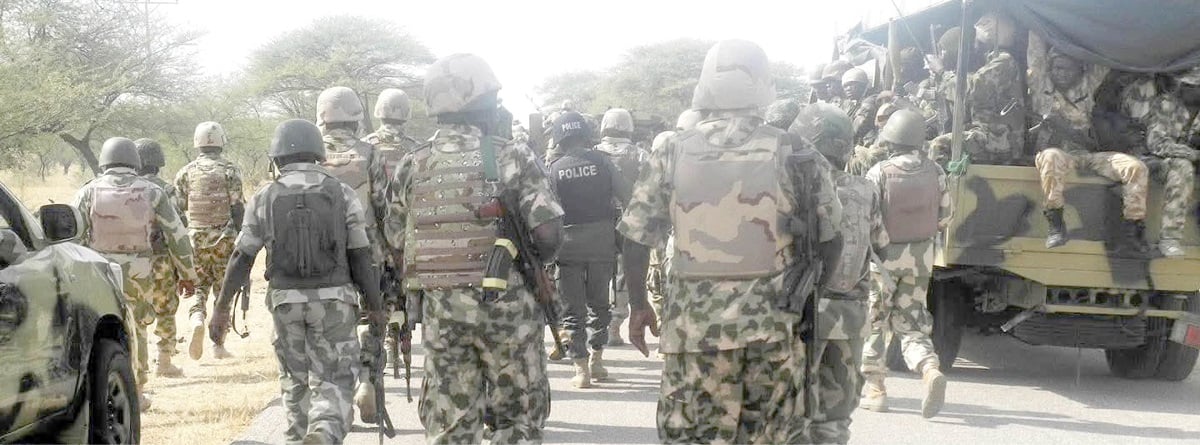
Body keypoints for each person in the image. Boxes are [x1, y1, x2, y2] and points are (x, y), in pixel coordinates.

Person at [620, 39, 842, 443]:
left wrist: (638, 305)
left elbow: (635, 238)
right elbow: (832, 240)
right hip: (774, 334)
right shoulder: (795, 151)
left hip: (694, 338)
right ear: (764, 86)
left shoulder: (671, 148)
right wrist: (806, 300)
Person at [387, 53, 563, 443]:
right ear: (483, 102)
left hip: (441, 314)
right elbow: (549, 235)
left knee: (451, 424)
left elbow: (398, 240)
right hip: (507, 313)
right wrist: (531, 260)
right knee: (516, 422)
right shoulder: (510, 154)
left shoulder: (412, 164)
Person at [208, 119, 385, 444]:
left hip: (285, 302)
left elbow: (241, 257)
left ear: (276, 158)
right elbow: (361, 255)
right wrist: (374, 308)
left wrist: (220, 310)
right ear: (318, 154)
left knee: (294, 383)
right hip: (334, 302)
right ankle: (324, 431)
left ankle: (298, 436)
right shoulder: (341, 193)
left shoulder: (265, 196)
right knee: (333, 380)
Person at [74, 137, 197, 410]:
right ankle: (138, 393)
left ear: (104, 160)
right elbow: (177, 235)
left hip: (99, 271)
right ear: (134, 162)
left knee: (99, 327)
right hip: (140, 273)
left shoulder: (88, 192)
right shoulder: (152, 192)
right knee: (137, 327)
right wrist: (187, 273)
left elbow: (73, 234)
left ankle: (97, 391)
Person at [791, 104, 888, 444]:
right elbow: (881, 246)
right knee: (835, 417)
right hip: (848, 316)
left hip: (800, 312)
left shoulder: (791, 186)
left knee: (792, 412)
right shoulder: (865, 190)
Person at [859, 110, 950, 419]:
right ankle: (929, 368)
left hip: (883, 261)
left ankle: (876, 390)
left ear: (890, 140)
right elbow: (945, 216)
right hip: (921, 259)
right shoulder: (936, 171)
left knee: (875, 321)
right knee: (912, 322)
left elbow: (869, 218)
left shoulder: (879, 171)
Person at [1028, 41, 1150, 254]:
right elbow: (1035, 53)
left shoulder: (1088, 85)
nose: (1061, 73)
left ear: (1080, 70)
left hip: (1089, 153)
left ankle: (1133, 229)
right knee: (1051, 157)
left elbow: (1100, 58)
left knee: (1135, 167)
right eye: (1057, 67)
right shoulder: (1041, 87)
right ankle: (1056, 224)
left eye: (1067, 68)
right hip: (1059, 155)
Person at [315, 85, 391, 420]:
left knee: (330, 329)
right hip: (367, 255)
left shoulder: (309, 155)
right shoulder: (371, 153)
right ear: (357, 118)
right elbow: (386, 208)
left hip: (321, 260)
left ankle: (337, 399)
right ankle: (368, 381)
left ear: (322, 118)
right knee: (372, 320)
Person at [547, 111, 633, 387]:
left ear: (560, 139)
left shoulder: (555, 169)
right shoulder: (603, 162)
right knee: (600, 305)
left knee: (573, 311)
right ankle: (597, 360)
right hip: (602, 243)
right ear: (586, 134)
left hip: (567, 248)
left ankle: (580, 369)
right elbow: (628, 197)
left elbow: (546, 212)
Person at [175, 121, 245, 360]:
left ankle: (196, 317)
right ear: (220, 142)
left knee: (199, 286)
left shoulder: (185, 172)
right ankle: (218, 345)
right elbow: (237, 207)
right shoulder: (230, 170)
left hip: (195, 240)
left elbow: (179, 208)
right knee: (222, 291)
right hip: (224, 240)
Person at [929, 12, 1027, 165]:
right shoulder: (986, 63)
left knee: (940, 146)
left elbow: (973, 89)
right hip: (988, 135)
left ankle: (940, 188)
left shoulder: (1004, 61)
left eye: (976, 39)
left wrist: (942, 73)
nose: (974, 43)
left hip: (1001, 139)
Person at [1123, 68, 1200, 257]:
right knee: (1182, 167)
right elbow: (1157, 143)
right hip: (1160, 162)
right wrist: (1192, 154)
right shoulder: (1166, 104)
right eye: (1189, 85)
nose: (1192, 90)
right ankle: (1170, 238)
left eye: (1195, 86)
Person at [594, 107, 646, 347]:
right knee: (625, 272)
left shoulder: (592, 154)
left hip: (599, 221)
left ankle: (598, 322)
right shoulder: (640, 154)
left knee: (599, 273)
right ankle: (616, 324)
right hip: (630, 221)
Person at [134, 138, 186, 378]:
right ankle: (163, 361)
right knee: (165, 308)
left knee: (134, 311)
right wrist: (185, 268)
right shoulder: (165, 190)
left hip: (128, 260)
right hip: (160, 259)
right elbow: (178, 227)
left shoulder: (123, 188)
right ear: (158, 163)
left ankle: (136, 364)